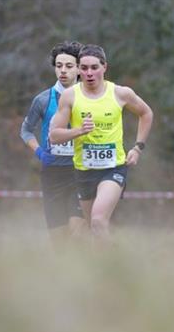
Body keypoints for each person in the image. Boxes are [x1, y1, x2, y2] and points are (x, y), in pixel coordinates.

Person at [49, 44, 153, 243]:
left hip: (113, 168)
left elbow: (146, 113)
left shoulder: (120, 93)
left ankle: (114, 272)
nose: (89, 73)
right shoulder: (70, 96)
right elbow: (54, 136)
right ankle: (107, 265)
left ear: (104, 67)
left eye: (94, 67)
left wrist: (138, 147)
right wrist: (79, 131)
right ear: (78, 69)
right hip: (84, 170)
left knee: (98, 221)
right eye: (84, 68)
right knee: (93, 228)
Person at [20, 41, 86, 248]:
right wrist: (39, 151)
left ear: (78, 68)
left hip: (81, 171)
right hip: (53, 172)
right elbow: (26, 130)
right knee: (59, 241)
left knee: (77, 234)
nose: (63, 71)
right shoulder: (42, 100)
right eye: (59, 66)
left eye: (68, 66)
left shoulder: (91, 97)